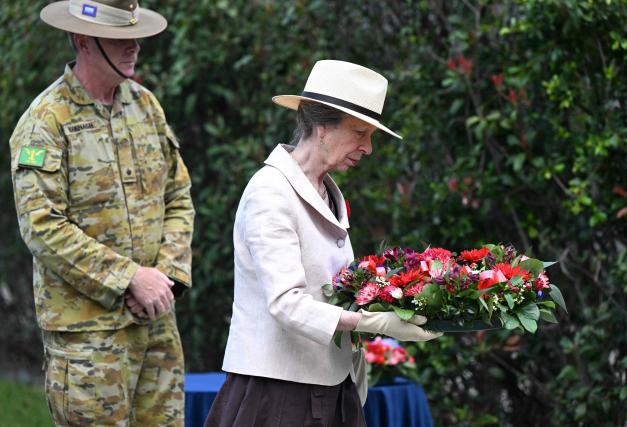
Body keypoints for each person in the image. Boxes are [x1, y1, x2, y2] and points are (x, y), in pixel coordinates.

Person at [205, 60, 442, 427]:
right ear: (322, 128)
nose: (368, 147)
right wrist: (373, 322)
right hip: (280, 393)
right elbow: (286, 302)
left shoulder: (325, 190)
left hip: (331, 386)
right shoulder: (270, 191)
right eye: (360, 132)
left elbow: (329, 288)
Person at [9, 1, 195, 425]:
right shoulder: (45, 122)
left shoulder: (145, 105)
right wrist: (129, 277)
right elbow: (42, 227)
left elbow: (178, 195)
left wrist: (165, 278)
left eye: (135, 37)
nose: (134, 48)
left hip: (156, 322)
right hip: (88, 336)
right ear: (82, 41)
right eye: (120, 39)